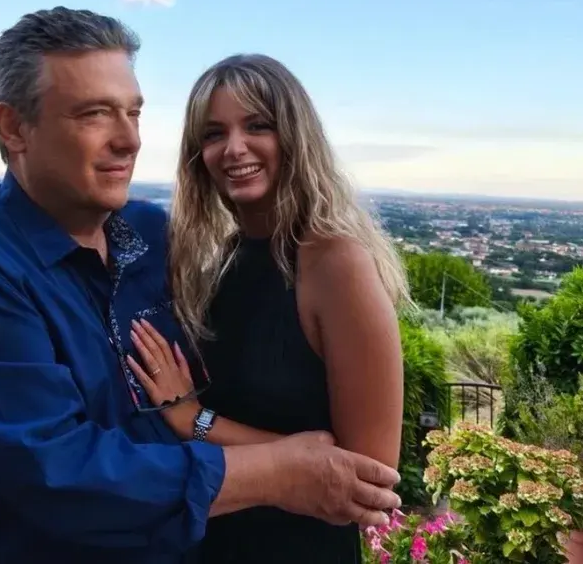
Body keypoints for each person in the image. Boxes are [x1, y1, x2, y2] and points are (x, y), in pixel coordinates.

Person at [0, 8, 402, 564]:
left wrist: (199, 421)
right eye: (94, 114)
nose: (129, 139)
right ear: (14, 127)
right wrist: (277, 470)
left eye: (133, 112)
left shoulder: (153, 238)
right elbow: (60, 474)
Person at [127, 53, 407, 563]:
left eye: (257, 125)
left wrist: (194, 419)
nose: (234, 148)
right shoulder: (226, 260)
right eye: (214, 134)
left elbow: (367, 477)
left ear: (295, 137)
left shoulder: (335, 263)